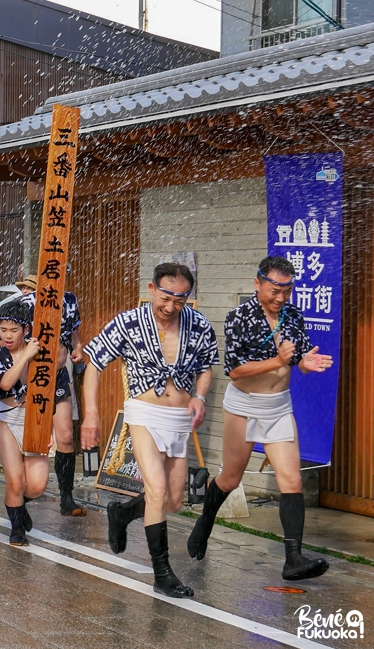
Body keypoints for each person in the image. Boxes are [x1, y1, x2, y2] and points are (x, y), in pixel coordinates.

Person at [188, 256, 333, 581]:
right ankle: (205, 522)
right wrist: (275, 360)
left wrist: (306, 362)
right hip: (244, 405)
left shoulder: (293, 315)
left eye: (287, 290)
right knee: (230, 479)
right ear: (258, 284)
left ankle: (293, 559)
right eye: (274, 289)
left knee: (292, 480)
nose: (280, 297)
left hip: (279, 406)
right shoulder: (239, 317)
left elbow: (298, 357)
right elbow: (235, 370)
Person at [81, 263, 219, 598]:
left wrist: (200, 396)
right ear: (152, 289)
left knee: (172, 499)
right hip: (143, 413)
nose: (171, 307)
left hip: (180, 419)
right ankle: (162, 573)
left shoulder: (197, 323)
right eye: (166, 297)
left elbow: (206, 369)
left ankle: (124, 511)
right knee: (156, 491)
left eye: (180, 300)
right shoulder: (129, 322)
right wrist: (91, 413)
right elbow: (94, 363)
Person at [12, 275, 87, 518]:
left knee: (65, 436)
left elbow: (74, 336)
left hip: (59, 375)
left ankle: (66, 497)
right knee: (32, 437)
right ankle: (20, 496)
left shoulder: (69, 299)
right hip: (32, 376)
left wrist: (77, 348)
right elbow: (12, 339)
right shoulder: (28, 302)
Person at [0, 300, 46, 545]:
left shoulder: (40, 352)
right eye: (3, 329)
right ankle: (17, 529)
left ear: (26, 329)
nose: (8, 335)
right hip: (7, 420)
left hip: (35, 420)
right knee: (15, 480)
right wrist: (25, 357)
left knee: (37, 486)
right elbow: (5, 384)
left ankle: (19, 506)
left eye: (14, 330)